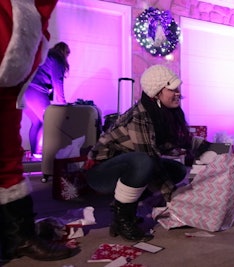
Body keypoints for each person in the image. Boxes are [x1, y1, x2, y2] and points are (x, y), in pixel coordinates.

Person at [85, 64, 203, 241]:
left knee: (177, 170)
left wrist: (215, 149)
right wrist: (175, 198)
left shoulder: (165, 113)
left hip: (127, 166)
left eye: (178, 88)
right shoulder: (139, 117)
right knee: (144, 163)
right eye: (172, 89)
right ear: (156, 93)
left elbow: (184, 140)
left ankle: (123, 205)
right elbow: (150, 159)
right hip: (101, 173)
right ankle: (123, 218)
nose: (178, 92)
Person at [0, 0, 78, 263]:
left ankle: (18, 235)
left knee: (31, 128)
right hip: (32, 89)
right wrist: (64, 105)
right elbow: (57, 86)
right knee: (45, 121)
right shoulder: (57, 60)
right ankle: (39, 153)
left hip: (20, 85)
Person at [24, 42, 70, 158]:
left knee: (37, 122)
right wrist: (63, 103)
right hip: (36, 91)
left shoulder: (46, 56)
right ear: (64, 52)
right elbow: (57, 82)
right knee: (49, 122)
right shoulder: (57, 59)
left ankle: (35, 154)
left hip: (25, 91)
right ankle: (42, 153)